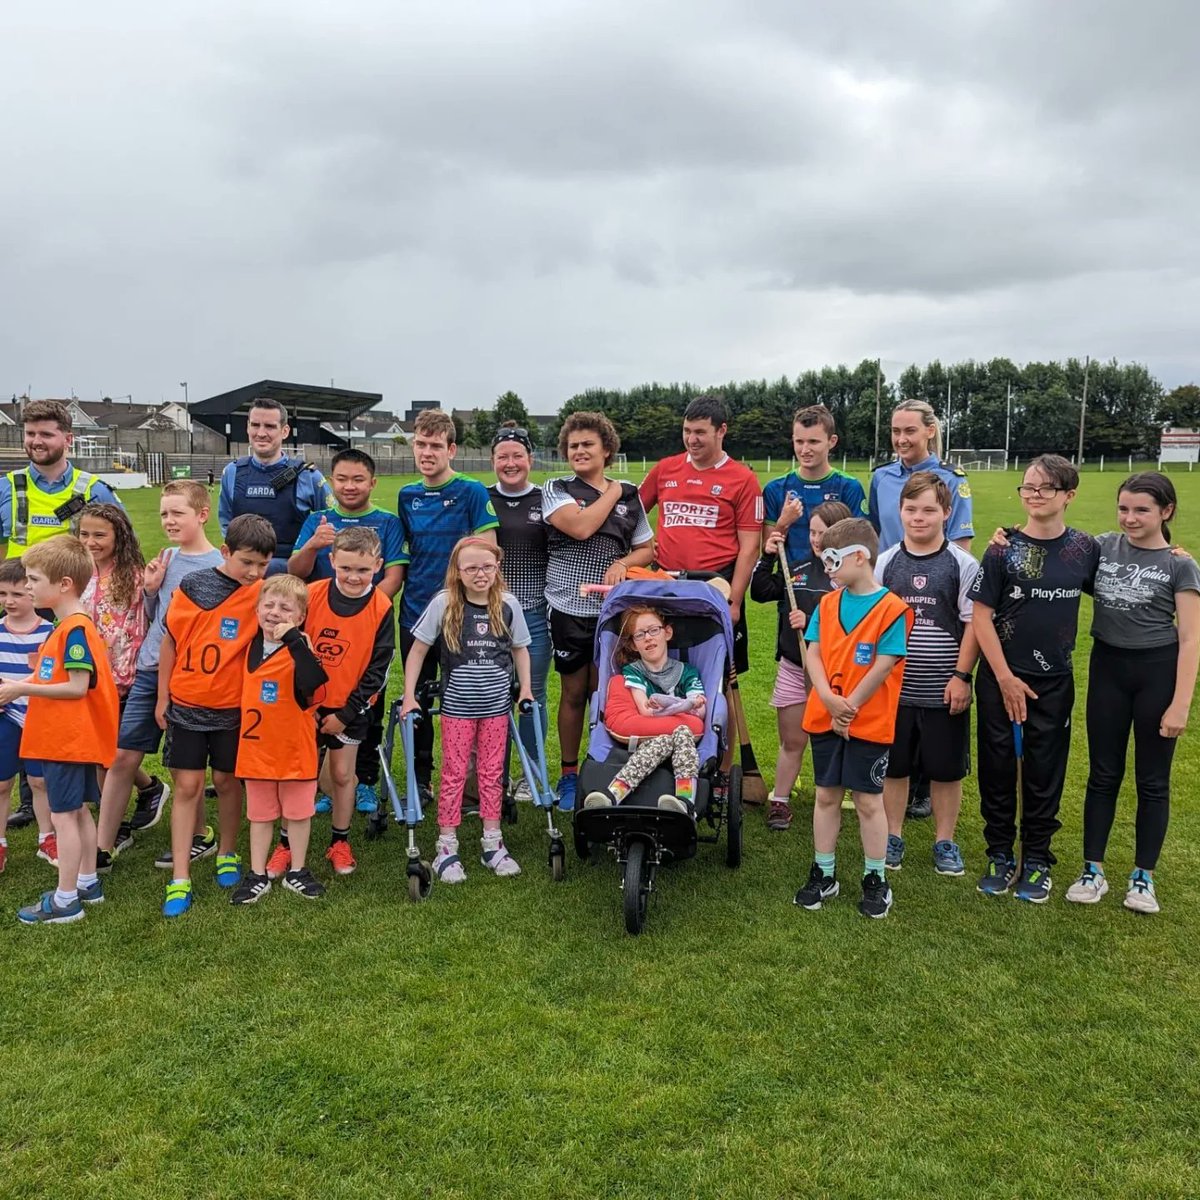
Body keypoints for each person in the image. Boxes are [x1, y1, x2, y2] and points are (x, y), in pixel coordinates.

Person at [1059, 473, 1200, 914]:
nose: (1130, 518)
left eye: (1141, 509)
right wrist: (1008, 539)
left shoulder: (1180, 564)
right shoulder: (1102, 548)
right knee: (1103, 774)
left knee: (1152, 780)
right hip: (1108, 668)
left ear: (1166, 511)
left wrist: (1180, 703)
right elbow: (1052, 553)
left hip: (1156, 671)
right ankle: (1092, 870)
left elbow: (1192, 638)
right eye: (1124, 508)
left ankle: (1143, 878)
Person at [970, 455, 1099, 904]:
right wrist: (1003, 677)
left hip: (1053, 680)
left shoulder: (1085, 549)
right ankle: (1001, 853)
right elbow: (981, 617)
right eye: (1028, 487)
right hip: (1001, 679)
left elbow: (1118, 584)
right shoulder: (1003, 547)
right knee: (998, 766)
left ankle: (1038, 858)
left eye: (1046, 488)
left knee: (1045, 770)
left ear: (1069, 495)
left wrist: (1169, 554)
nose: (1035, 495)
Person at [95, 481, 220, 873]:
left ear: (202, 514)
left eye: (177, 513)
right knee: (122, 755)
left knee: (188, 763)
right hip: (150, 668)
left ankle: (200, 836)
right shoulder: (165, 557)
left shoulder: (219, 564)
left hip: (192, 676)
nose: (168, 520)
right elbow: (156, 615)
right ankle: (101, 846)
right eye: (164, 513)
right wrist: (150, 590)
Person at [155, 513, 276, 917]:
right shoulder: (192, 587)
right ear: (225, 552)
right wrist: (162, 698)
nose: (255, 572)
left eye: (263, 564)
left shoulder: (263, 594)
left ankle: (227, 852)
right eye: (247, 562)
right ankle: (181, 878)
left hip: (235, 708)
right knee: (187, 787)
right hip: (187, 704)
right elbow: (171, 642)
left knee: (227, 782)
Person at [793, 518, 912, 920]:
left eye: (832, 559)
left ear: (859, 557)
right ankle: (824, 872)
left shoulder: (892, 609)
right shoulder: (827, 604)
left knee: (866, 800)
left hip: (868, 721)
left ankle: (875, 878)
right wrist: (827, 698)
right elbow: (813, 650)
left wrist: (850, 706)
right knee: (826, 795)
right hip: (826, 716)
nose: (826, 567)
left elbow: (886, 662)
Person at [1, 536, 119, 924]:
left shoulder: (75, 630)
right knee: (77, 812)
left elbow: (76, 686)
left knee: (64, 815)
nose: (29, 586)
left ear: (64, 584)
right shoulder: (68, 627)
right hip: (68, 739)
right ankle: (87, 881)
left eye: (33, 579)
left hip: (67, 741)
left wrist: (20, 687)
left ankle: (66, 898)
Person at [868, 399, 975, 821]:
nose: (901, 439)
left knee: (933, 703)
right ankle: (899, 780)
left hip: (937, 585)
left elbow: (962, 544)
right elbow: (875, 532)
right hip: (892, 579)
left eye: (909, 431)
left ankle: (925, 786)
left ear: (930, 430)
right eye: (895, 432)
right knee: (897, 688)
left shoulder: (952, 478)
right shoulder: (881, 477)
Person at [401, 537, 531, 882]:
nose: (480, 574)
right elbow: (417, 651)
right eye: (471, 568)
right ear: (458, 572)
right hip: (457, 706)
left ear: (497, 568)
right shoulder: (444, 603)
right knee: (454, 772)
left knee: (491, 773)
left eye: (487, 567)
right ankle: (447, 845)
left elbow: (520, 649)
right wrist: (410, 694)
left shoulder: (507, 604)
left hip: (496, 707)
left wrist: (527, 690)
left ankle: (493, 841)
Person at [543, 411, 654, 811]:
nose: (579, 451)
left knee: (608, 693)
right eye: (573, 446)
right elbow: (580, 527)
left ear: (607, 449)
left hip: (614, 612)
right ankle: (570, 775)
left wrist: (625, 563)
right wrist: (615, 489)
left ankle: (605, 768)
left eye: (588, 444)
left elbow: (648, 548)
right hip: (569, 608)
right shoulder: (556, 487)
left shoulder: (630, 499)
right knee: (574, 692)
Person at [272, 526, 393, 882]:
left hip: (349, 710)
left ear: (378, 566)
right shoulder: (311, 595)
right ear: (332, 562)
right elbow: (287, 651)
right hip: (304, 707)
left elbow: (378, 669)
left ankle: (339, 841)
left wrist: (345, 714)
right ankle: (285, 845)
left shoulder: (381, 607)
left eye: (363, 570)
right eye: (346, 569)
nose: (354, 577)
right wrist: (302, 706)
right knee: (298, 778)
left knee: (342, 776)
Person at [875, 473, 980, 877]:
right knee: (895, 767)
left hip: (944, 689)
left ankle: (945, 841)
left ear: (946, 513)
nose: (919, 518)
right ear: (900, 511)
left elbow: (972, 625)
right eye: (911, 509)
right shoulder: (885, 562)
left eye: (929, 510)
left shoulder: (962, 564)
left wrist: (961, 677)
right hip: (894, 690)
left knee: (945, 769)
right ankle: (893, 835)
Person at [289, 446, 403, 814]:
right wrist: (313, 544)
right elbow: (296, 572)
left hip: (363, 632)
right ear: (331, 481)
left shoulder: (387, 521)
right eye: (342, 479)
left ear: (372, 482)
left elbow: (394, 576)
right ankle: (325, 785)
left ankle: (364, 781)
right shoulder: (318, 519)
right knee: (314, 708)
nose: (349, 486)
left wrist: (363, 614)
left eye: (358, 479)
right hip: (320, 627)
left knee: (366, 709)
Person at [396, 409, 498, 804]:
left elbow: (489, 548)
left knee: (469, 697)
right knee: (416, 698)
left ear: (451, 449)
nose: (426, 452)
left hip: (462, 615)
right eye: (420, 444)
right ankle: (421, 779)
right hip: (416, 611)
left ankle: (473, 783)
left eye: (435, 445)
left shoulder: (472, 491)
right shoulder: (407, 496)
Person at [639, 394, 763, 679]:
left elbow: (749, 548)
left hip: (715, 586)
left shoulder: (742, 479)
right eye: (686, 431)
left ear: (721, 431)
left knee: (718, 680)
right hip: (666, 586)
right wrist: (644, 546)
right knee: (660, 674)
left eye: (699, 432)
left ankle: (720, 726)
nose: (691, 439)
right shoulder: (665, 468)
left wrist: (734, 602)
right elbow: (630, 514)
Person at [750, 500, 851, 831]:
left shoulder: (851, 577)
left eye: (824, 532)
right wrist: (767, 555)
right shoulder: (798, 568)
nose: (816, 539)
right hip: (795, 668)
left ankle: (834, 792)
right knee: (792, 740)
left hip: (837, 674)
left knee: (837, 738)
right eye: (812, 532)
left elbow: (857, 629)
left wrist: (811, 624)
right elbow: (761, 591)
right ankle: (780, 801)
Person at [231, 575, 329, 905]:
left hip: (295, 750)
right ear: (257, 609)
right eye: (268, 605)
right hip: (256, 749)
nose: (275, 612)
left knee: (299, 813)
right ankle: (258, 873)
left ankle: (297, 870)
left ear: (300, 616)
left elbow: (314, 682)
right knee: (260, 815)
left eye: (285, 608)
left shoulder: (303, 646)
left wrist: (294, 641)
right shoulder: (248, 645)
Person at [78, 503, 167, 823]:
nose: (91, 541)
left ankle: (111, 827)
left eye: (100, 535)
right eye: (84, 534)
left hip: (122, 677)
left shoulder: (132, 576)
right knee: (100, 753)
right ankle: (149, 789)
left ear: (120, 537)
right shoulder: (78, 573)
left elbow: (139, 625)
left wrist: (123, 674)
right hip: (86, 675)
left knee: (109, 756)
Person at [582, 606, 707, 815]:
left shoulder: (687, 672)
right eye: (640, 635)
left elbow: (700, 711)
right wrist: (683, 706)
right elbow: (646, 711)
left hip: (682, 739)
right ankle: (612, 794)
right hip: (648, 738)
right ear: (633, 644)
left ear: (667, 633)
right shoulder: (633, 672)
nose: (648, 638)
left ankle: (684, 802)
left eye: (653, 630)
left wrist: (674, 706)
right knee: (670, 737)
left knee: (683, 733)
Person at [489, 423, 551, 803]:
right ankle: (491, 775)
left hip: (532, 614)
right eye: (502, 457)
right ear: (493, 460)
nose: (510, 463)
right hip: (488, 614)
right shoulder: (478, 498)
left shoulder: (548, 499)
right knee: (489, 696)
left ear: (529, 458)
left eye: (517, 455)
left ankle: (531, 773)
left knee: (533, 694)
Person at [219, 397, 330, 576]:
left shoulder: (308, 476)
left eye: (270, 426)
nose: (261, 433)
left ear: (285, 431)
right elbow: (226, 522)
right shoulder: (232, 472)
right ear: (247, 427)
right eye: (255, 425)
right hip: (245, 578)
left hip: (293, 578)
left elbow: (330, 522)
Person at [0, 399, 121, 561]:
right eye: (30, 434)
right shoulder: (5, 487)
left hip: (74, 585)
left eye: (46, 434)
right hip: (19, 585)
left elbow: (125, 547)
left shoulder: (96, 491)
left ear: (68, 440)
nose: (36, 441)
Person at [0, 559, 55, 874]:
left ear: (33, 593)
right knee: (1, 783)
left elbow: (53, 677)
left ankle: (47, 838)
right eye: (3, 594)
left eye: (18, 594)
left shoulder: (50, 633)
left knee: (39, 781)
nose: (9, 601)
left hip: (39, 716)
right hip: (5, 717)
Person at [763, 404, 867, 566]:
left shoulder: (849, 487)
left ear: (831, 441)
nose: (805, 449)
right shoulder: (775, 488)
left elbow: (859, 546)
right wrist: (783, 523)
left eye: (813, 441)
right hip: (789, 585)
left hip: (834, 582)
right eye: (799, 441)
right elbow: (769, 552)